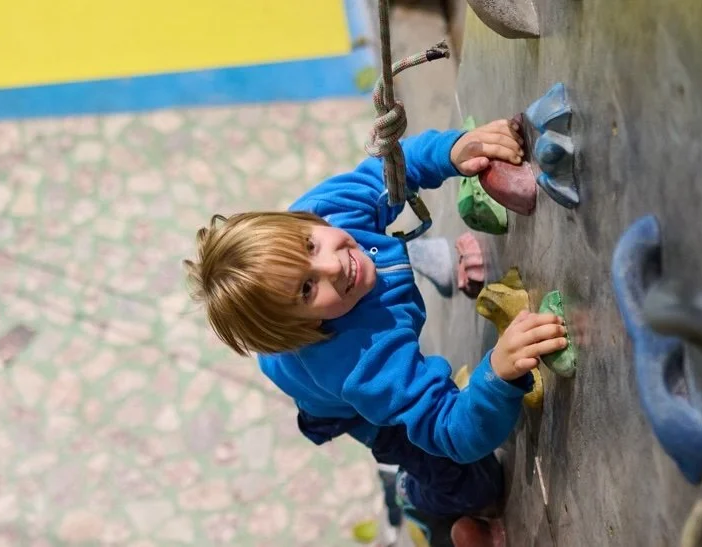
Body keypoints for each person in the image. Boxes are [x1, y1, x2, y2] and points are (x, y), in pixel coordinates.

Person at [184, 120, 567, 545]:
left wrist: (454, 150)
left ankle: (405, 259)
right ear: (308, 325)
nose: (333, 265)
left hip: (336, 332)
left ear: (304, 221)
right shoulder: (363, 365)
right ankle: (408, 494)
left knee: (367, 245)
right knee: (478, 486)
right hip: (347, 405)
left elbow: (389, 168)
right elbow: (451, 431)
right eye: (307, 289)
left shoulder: (326, 213)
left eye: (310, 246)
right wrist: (497, 374)